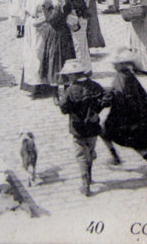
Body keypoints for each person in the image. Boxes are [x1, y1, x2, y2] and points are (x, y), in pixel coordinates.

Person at [101, 48, 147, 176]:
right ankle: (116, 157)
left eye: (115, 63)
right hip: (126, 113)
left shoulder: (123, 77)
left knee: (128, 140)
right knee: (108, 133)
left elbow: (120, 95)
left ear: (122, 64)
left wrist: (108, 97)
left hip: (125, 115)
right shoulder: (127, 75)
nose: (113, 65)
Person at [57, 58, 110, 197]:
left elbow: (64, 109)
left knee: (81, 155)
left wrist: (60, 102)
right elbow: (107, 99)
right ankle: (90, 176)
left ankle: (85, 184)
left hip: (77, 128)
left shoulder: (69, 91)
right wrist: (96, 110)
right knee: (90, 151)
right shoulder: (94, 86)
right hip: (93, 127)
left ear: (72, 75)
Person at [43, 0, 89, 88]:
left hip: (66, 34)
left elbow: (71, 17)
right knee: (55, 59)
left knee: (68, 59)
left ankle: (67, 86)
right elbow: (50, 20)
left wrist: (74, 22)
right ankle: (55, 89)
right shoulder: (49, 3)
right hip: (55, 34)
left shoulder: (67, 3)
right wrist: (57, 9)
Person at [21, 0, 54, 97]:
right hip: (32, 26)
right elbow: (24, 10)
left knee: (43, 52)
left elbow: (52, 9)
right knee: (32, 53)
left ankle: (45, 85)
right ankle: (33, 85)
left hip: (45, 25)